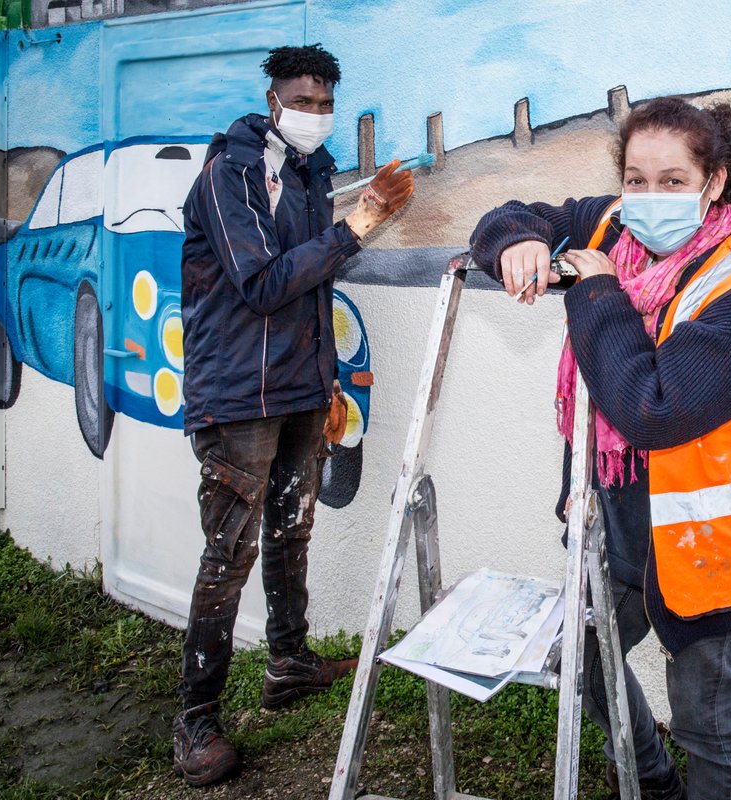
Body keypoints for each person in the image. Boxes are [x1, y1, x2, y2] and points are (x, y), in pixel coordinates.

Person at [469, 96, 731, 800]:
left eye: (673, 181)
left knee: (710, 728)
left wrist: (595, 292)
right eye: (635, 178)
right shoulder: (612, 225)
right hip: (614, 529)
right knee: (585, 662)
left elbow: (653, 408)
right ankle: (655, 782)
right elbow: (512, 217)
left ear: (714, 184)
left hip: (708, 552)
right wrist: (518, 242)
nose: (648, 198)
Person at [172, 43, 414, 787]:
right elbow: (263, 282)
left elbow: (313, 290)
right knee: (230, 553)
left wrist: (327, 378)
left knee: (293, 524)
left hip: (302, 389)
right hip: (238, 396)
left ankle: (289, 662)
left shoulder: (312, 173)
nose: (313, 114)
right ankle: (196, 718)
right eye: (301, 100)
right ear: (272, 100)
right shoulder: (230, 174)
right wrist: (361, 223)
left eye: (323, 102)